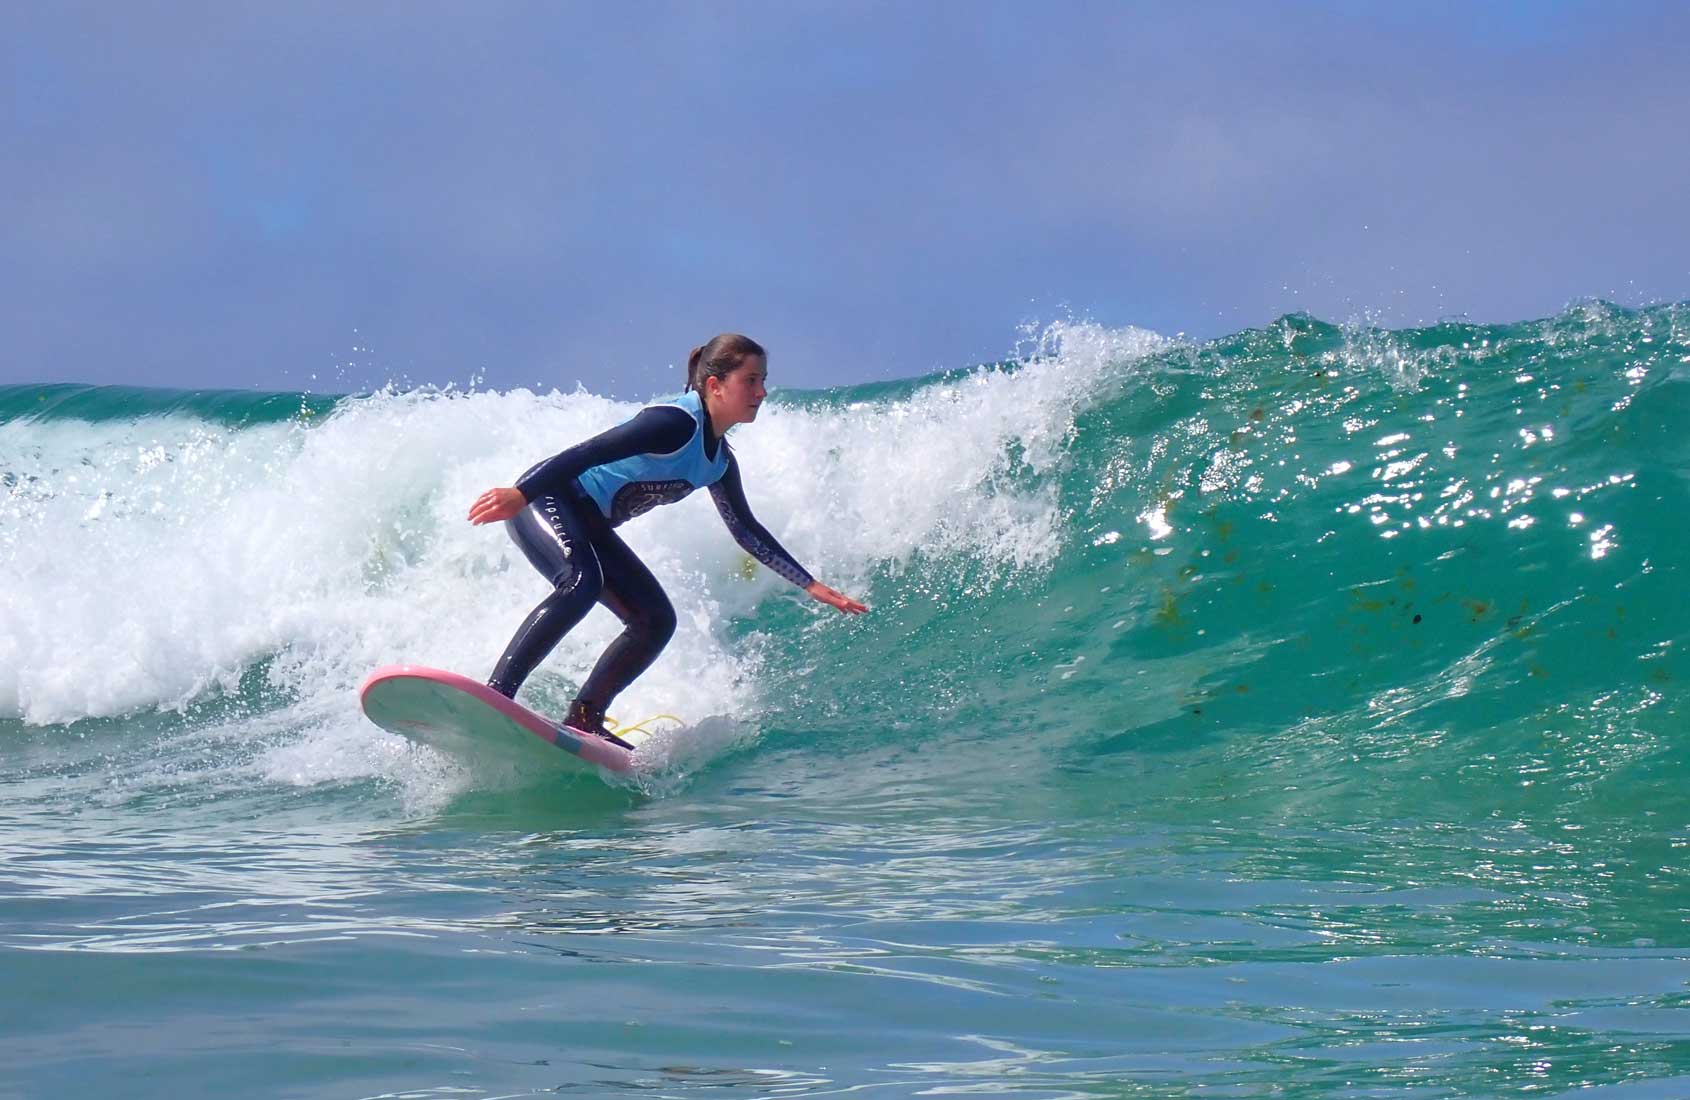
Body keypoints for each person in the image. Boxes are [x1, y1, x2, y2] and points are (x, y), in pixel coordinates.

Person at [467, 333, 867, 748]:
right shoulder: (673, 424)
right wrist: (522, 492)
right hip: (547, 498)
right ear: (715, 385)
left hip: (590, 523)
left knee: (655, 621)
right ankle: (497, 694)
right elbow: (586, 452)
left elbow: (746, 530)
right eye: (750, 380)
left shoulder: (718, 462)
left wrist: (811, 585)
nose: (761, 392)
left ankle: (585, 717)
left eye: (763, 380)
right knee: (581, 583)